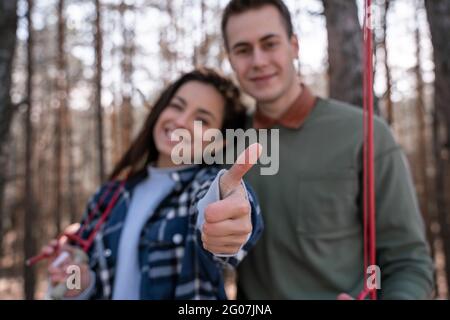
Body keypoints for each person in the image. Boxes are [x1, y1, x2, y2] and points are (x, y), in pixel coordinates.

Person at [213, 0, 434, 299]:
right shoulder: (226, 144)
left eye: (270, 43)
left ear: (294, 46)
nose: (258, 60)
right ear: (230, 59)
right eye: (243, 50)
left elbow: (408, 261)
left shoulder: (365, 133)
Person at [39, 68, 263, 300]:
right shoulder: (108, 196)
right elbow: (85, 281)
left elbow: (219, 207)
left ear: (219, 141)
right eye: (176, 106)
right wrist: (76, 282)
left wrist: (230, 216)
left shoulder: (203, 186)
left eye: (201, 120)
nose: (181, 121)